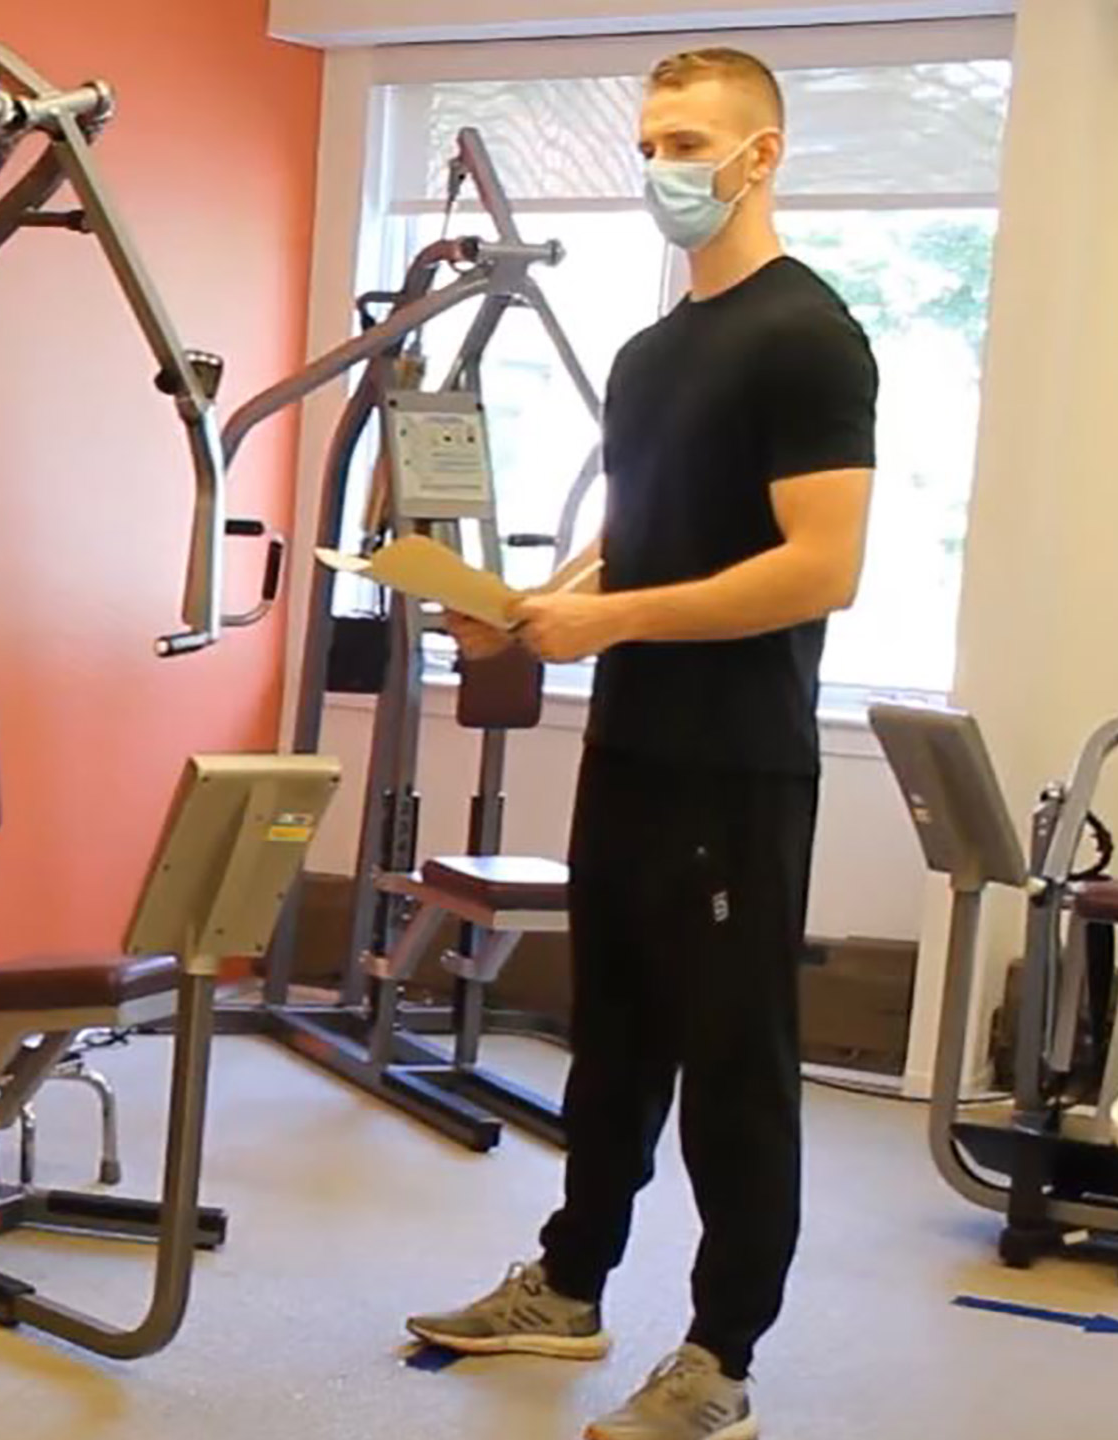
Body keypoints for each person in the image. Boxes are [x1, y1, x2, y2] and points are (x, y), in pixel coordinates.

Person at [405, 48, 876, 1440]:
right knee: (608, 1042)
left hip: (738, 763)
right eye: (651, 140)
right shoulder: (654, 349)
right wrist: (543, 607)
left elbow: (821, 568)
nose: (663, 165)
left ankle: (720, 1362)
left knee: (735, 1068)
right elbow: (640, 528)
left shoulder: (810, 335)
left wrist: (613, 626)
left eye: (688, 141)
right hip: (633, 748)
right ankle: (569, 1287)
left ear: (760, 155)